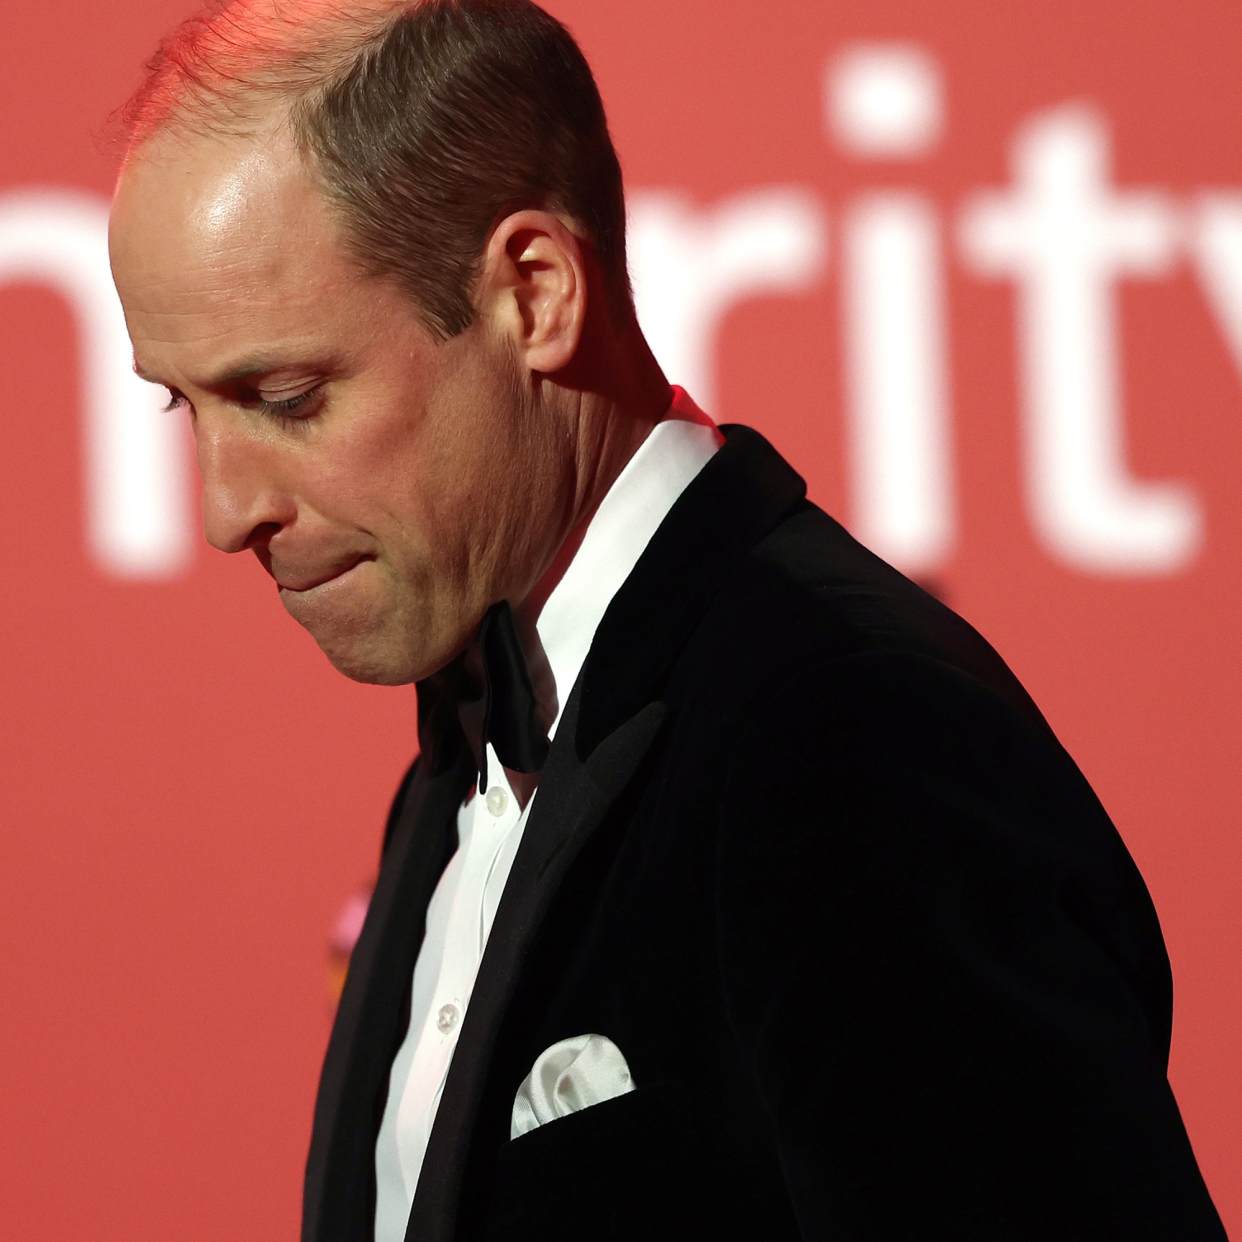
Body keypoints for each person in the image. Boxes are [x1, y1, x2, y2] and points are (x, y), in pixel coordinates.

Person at [107, 1, 1226, 1239]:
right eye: (182, 408)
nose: (223, 509)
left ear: (535, 296)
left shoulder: (849, 740)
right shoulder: (467, 745)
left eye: (285, 396)